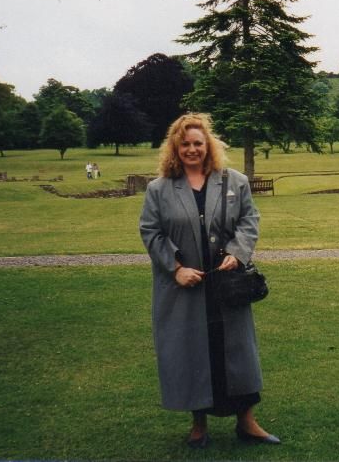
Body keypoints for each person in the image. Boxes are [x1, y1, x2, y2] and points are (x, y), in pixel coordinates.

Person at [139, 113, 280, 449]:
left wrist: (238, 251)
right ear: (175, 147)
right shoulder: (159, 190)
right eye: (185, 144)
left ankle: (247, 423)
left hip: (226, 286)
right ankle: (198, 425)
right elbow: (151, 231)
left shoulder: (234, 181)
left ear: (208, 145)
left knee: (236, 351)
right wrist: (175, 268)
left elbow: (249, 220)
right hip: (185, 290)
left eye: (197, 143)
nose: (192, 149)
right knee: (191, 353)